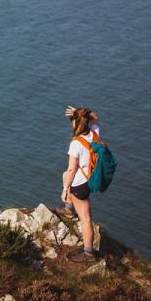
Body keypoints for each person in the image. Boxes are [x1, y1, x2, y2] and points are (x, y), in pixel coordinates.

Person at [61, 105, 101, 262]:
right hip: (90, 178)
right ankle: (70, 209)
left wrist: (65, 190)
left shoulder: (76, 144)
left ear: (76, 124)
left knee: (85, 219)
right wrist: (81, 113)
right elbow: (95, 118)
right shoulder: (95, 133)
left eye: (73, 120)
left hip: (79, 184)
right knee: (64, 175)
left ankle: (88, 252)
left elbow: (72, 170)